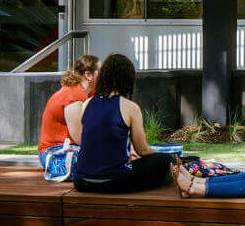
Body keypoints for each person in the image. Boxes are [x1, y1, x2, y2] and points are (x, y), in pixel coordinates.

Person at [71, 53, 173, 193]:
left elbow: (94, 140)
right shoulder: (130, 107)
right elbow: (142, 150)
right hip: (113, 181)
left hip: (81, 181)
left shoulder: (87, 103)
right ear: (128, 80)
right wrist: (164, 156)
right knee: (163, 161)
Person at [39, 54, 99, 151]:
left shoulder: (90, 93)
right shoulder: (73, 95)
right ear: (88, 75)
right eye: (100, 71)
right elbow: (80, 138)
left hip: (71, 148)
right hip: (56, 151)